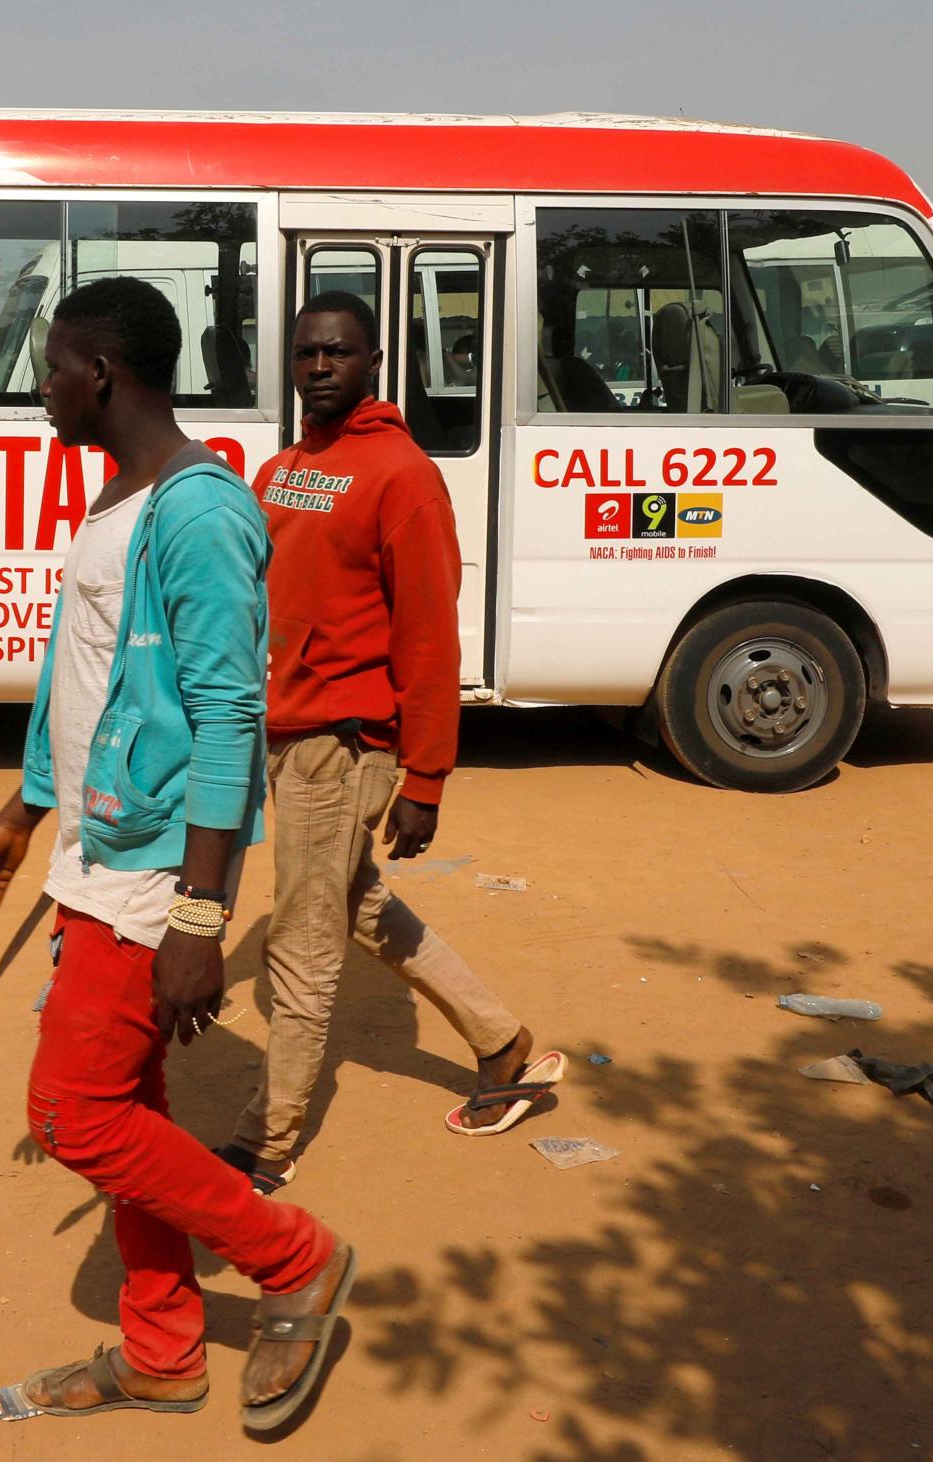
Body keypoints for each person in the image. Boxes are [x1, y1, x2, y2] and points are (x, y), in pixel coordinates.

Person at [0, 277, 356, 1435]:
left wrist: (197, 916)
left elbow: (228, 717)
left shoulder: (199, 511)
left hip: (149, 876)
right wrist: (23, 813)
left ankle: (296, 1259)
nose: (41, 389)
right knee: (124, 1101)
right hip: (95, 851)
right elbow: (79, 677)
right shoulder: (117, 492)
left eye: (53, 367)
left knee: (75, 1115)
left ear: (103, 376)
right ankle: (162, 1352)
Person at [218, 293, 560, 1196]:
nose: (319, 367)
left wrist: (426, 777)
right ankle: (503, 1043)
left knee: (302, 938)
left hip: (346, 741)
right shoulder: (285, 466)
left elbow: (428, 637)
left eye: (337, 353)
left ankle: (269, 1137)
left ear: (373, 361)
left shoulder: (403, 475)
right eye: (304, 354)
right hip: (289, 734)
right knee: (357, 905)